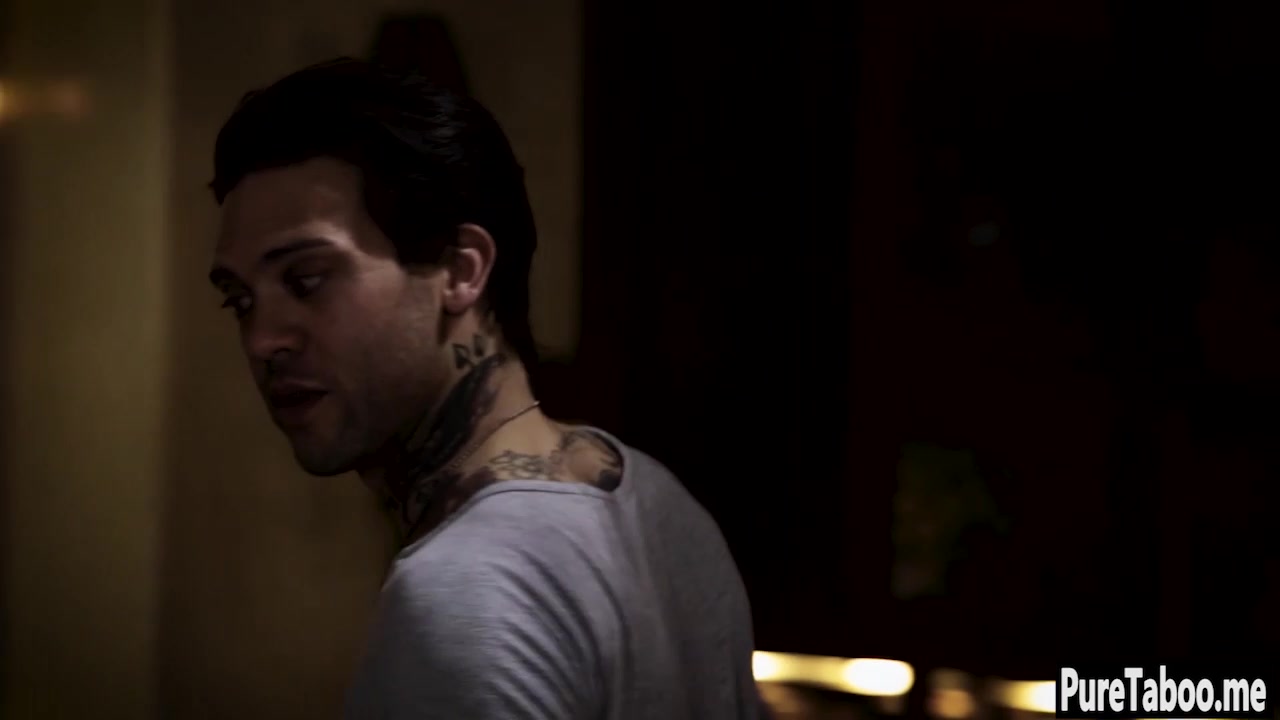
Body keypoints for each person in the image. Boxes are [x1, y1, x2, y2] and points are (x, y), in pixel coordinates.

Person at [206, 57, 764, 719]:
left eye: (306, 280)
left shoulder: (462, 594)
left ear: (460, 271)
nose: (262, 340)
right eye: (240, 300)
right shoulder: (657, 498)